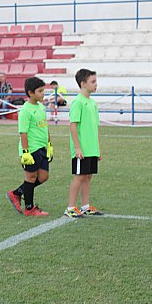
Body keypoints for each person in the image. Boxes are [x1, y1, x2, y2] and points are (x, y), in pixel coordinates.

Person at [6, 77, 52, 216]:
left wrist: (49, 145)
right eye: (40, 91)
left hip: (42, 147)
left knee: (43, 176)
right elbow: (23, 132)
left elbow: (45, 127)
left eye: (43, 90)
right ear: (31, 93)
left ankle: (16, 193)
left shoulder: (41, 107)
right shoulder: (25, 110)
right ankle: (29, 208)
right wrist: (26, 152)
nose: (43, 93)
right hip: (31, 149)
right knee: (31, 177)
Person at [64, 69, 103, 218]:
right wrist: (77, 147)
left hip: (91, 148)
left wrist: (98, 148)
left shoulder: (92, 103)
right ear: (83, 84)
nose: (96, 84)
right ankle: (71, 207)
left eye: (96, 81)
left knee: (88, 176)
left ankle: (85, 206)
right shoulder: (78, 102)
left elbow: (95, 127)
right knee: (79, 176)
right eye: (93, 82)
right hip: (82, 149)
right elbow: (73, 125)